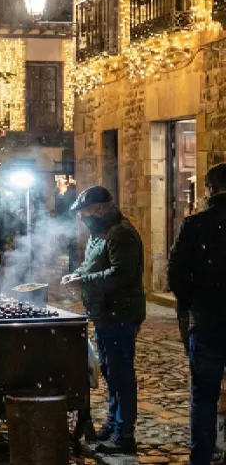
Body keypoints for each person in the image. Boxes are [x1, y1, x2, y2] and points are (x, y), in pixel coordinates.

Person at [62, 186, 145, 455]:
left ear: (100, 209)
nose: (82, 217)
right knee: (111, 373)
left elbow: (122, 274)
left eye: (86, 211)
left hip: (120, 314)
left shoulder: (121, 233)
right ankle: (112, 425)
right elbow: (92, 265)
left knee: (121, 375)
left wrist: (83, 281)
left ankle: (124, 434)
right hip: (103, 313)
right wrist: (76, 274)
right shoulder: (99, 234)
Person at [170, 163, 226, 465]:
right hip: (208, 320)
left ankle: (201, 457)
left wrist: (192, 305)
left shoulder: (196, 225)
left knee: (204, 397)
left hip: (208, 323)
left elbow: (176, 276)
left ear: (209, 189)